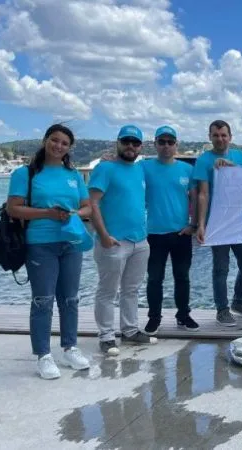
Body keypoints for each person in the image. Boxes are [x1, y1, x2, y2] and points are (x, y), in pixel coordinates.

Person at [6, 124, 91, 379]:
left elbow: (87, 207)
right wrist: (48, 214)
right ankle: (43, 354)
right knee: (43, 300)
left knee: (71, 299)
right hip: (40, 243)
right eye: (55, 140)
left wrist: (74, 214)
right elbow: (14, 209)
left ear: (69, 148)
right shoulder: (25, 174)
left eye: (65, 143)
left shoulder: (73, 175)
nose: (59, 146)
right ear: (45, 141)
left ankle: (70, 347)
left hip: (72, 241)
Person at [89, 125, 154, 356]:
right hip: (114, 241)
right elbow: (93, 204)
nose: (130, 146)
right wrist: (103, 235)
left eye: (135, 143)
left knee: (132, 289)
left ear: (140, 147)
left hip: (140, 241)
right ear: (117, 142)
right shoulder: (105, 168)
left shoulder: (140, 170)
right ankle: (106, 336)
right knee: (107, 290)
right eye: (126, 141)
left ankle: (130, 330)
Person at [195, 120, 242, 326]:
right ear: (210, 137)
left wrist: (231, 167)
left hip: (239, 222)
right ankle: (222, 309)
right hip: (217, 222)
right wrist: (201, 225)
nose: (220, 139)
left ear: (230, 137)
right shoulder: (203, 160)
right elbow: (203, 194)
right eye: (215, 135)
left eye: (223, 135)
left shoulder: (240, 157)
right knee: (221, 268)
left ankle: (239, 301)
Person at [141, 126, 199, 335]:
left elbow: (195, 198)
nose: (166, 146)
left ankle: (183, 315)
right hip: (153, 233)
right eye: (162, 142)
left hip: (181, 233)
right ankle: (154, 318)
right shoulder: (144, 167)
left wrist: (194, 224)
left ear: (176, 145)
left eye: (170, 142)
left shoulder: (187, 169)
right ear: (155, 144)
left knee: (182, 277)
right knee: (155, 278)